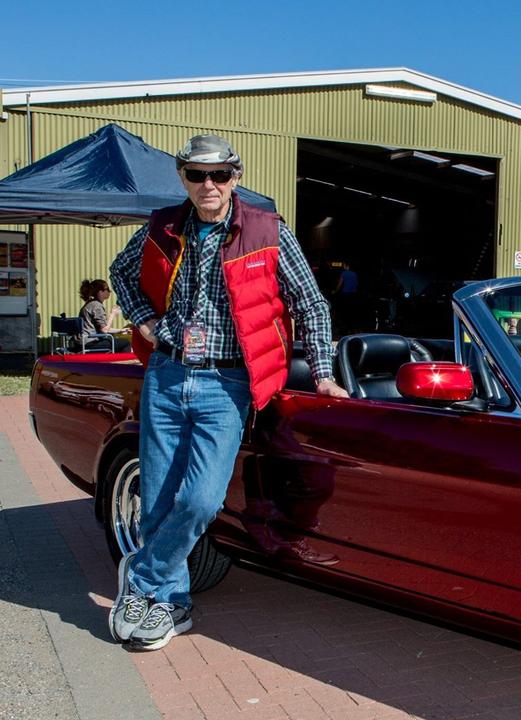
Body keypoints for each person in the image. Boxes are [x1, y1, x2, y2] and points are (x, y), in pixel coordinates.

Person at [107, 133, 348, 651]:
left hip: (228, 382)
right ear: (183, 178)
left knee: (200, 499)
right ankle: (171, 606)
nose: (208, 185)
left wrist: (323, 372)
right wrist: (147, 323)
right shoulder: (163, 226)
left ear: (236, 176)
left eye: (219, 175)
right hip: (168, 376)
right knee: (159, 502)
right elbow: (121, 274)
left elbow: (310, 304)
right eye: (196, 175)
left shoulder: (266, 230)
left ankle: (142, 580)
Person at [77, 279, 129, 351]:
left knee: (115, 340)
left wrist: (121, 330)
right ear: (100, 292)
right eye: (107, 289)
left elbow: (102, 329)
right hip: (90, 343)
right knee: (126, 343)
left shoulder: (90, 303)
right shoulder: (96, 305)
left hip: (84, 342)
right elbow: (104, 330)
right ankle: (121, 361)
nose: (109, 291)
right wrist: (112, 314)